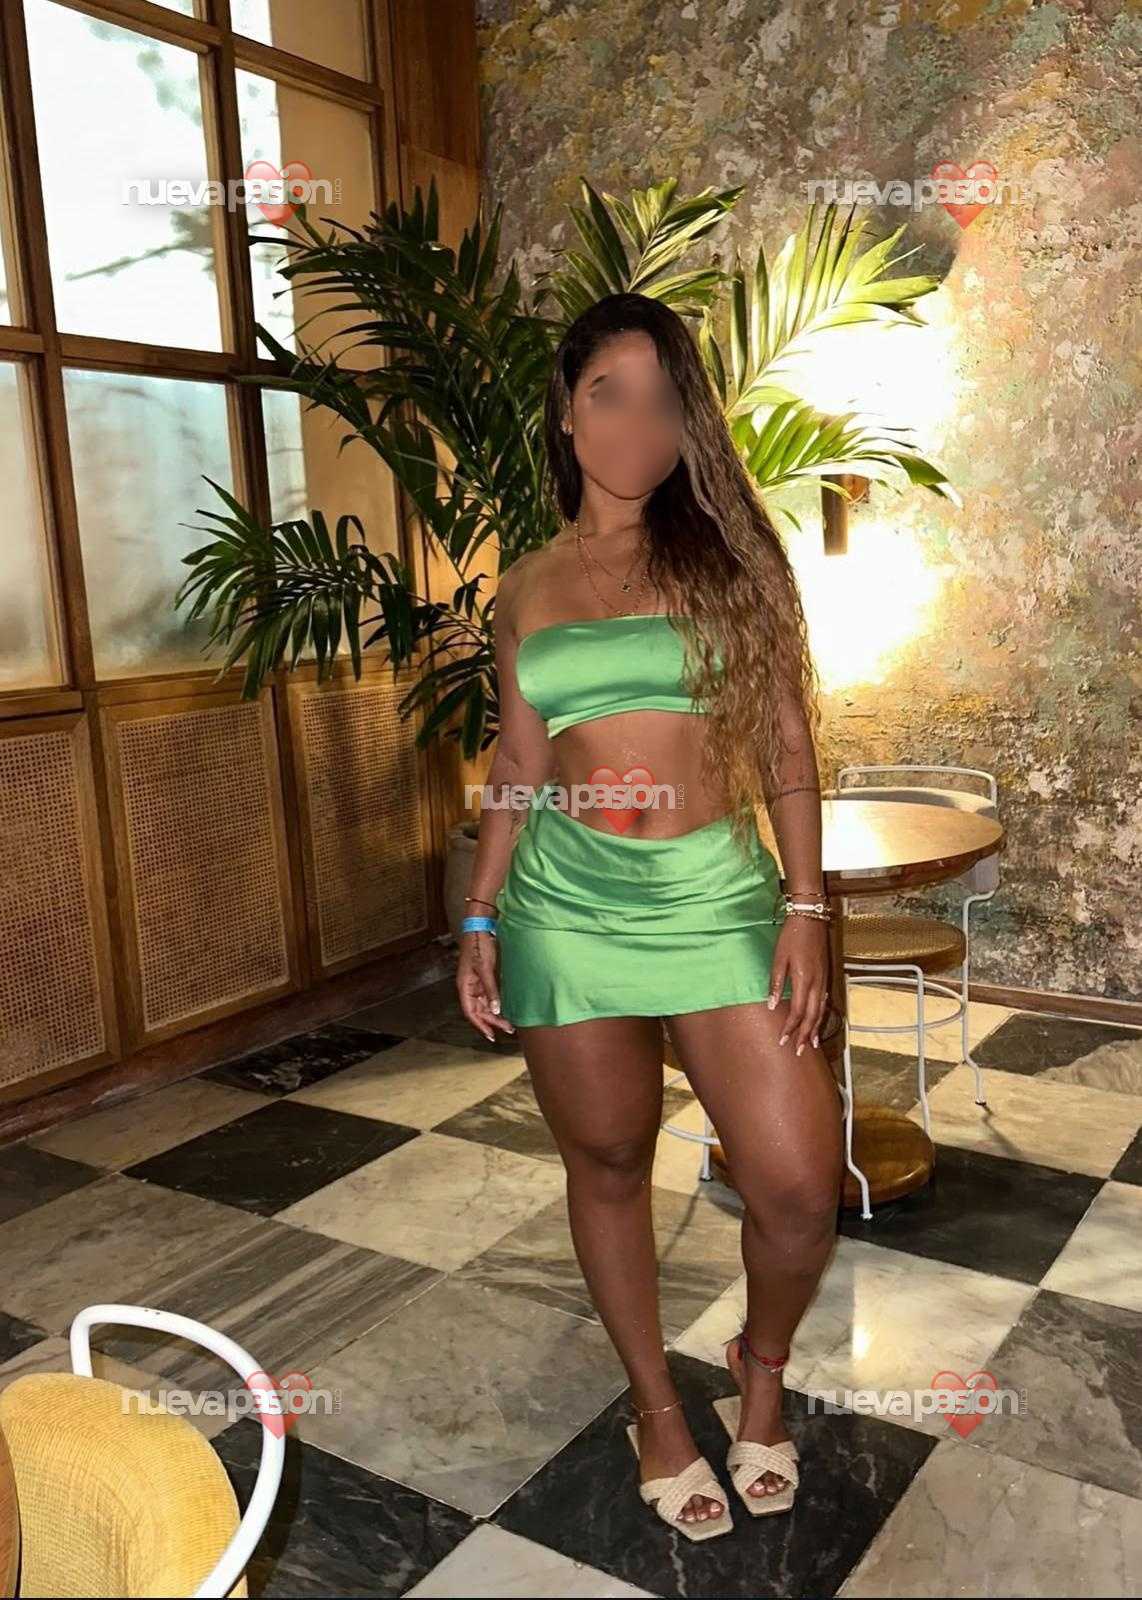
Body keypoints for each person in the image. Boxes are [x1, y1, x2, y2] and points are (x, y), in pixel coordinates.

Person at [456, 291, 843, 1540]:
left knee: (796, 1185)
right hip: (564, 907)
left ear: (690, 426)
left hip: (717, 897)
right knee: (609, 1162)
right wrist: (479, 911)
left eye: (664, 402)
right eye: (606, 395)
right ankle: (654, 1407)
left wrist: (803, 906)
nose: (635, 426)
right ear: (566, 415)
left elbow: (785, 747)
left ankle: (758, 1369)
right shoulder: (524, 586)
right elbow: (521, 755)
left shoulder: (731, 562)